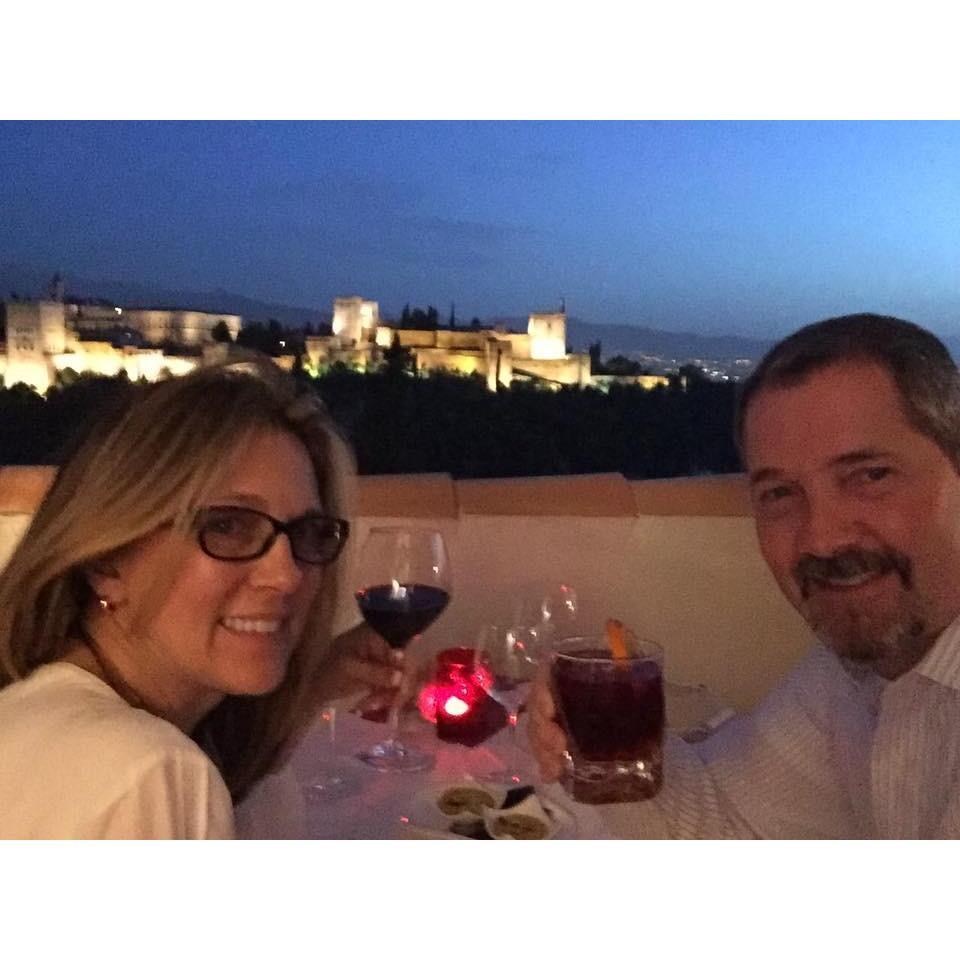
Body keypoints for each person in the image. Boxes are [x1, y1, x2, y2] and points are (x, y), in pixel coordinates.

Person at [530, 313, 960, 838]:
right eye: (779, 494)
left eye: (870, 476)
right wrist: (620, 749)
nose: (821, 539)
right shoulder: (846, 674)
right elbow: (730, 824)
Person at [0, 359, 400, 839]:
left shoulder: (41, 715)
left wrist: (309, 689)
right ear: (105, 561)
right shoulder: (151, 772)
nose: (288, 575)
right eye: (227, 526)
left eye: (308, 532)